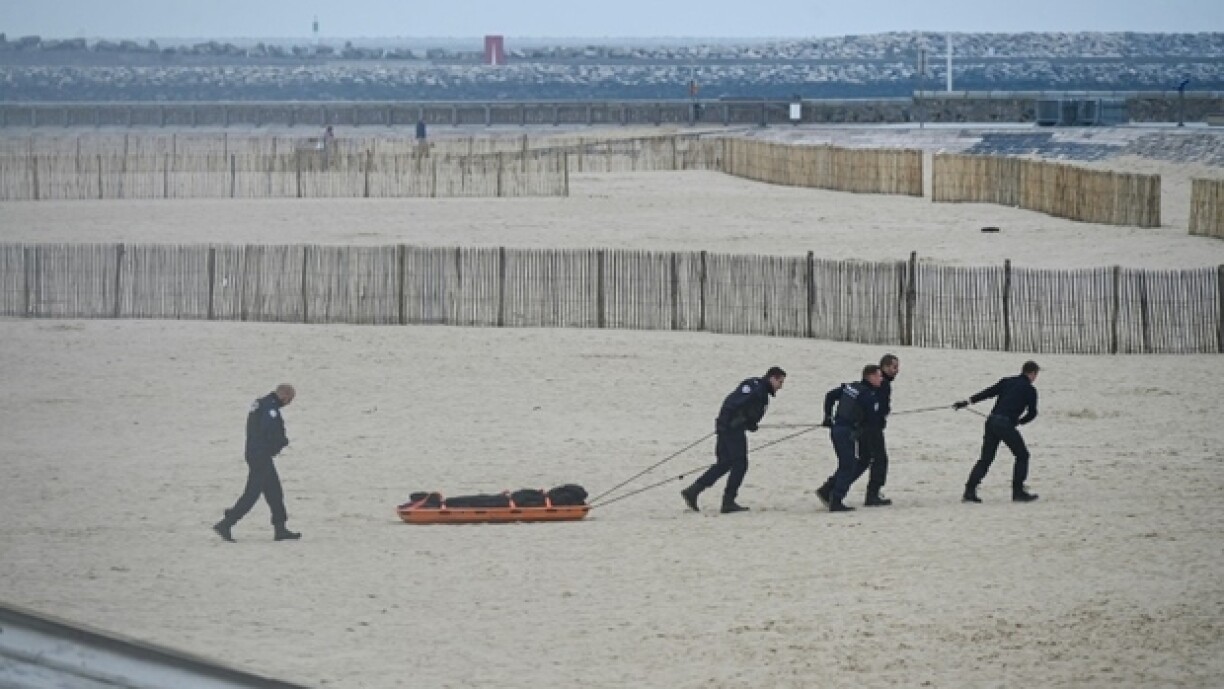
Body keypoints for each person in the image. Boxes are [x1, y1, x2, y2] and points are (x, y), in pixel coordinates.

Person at [681, 366, 787, 514]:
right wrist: (725, 424)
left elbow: (748, 412)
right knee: (740, 464)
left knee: (724, 463)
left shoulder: (761, 390)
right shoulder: (755, 388)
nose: (781, 387)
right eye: (780, 382)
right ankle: (728, 501)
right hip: (731, 430)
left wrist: (750, 424)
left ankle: (693, 491)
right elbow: (732, 403)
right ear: (772, 378)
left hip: (730, 428)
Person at [213, 384, 302, 542]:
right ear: (285, 395)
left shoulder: (261, 403)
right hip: (261, 455)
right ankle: (226, 523)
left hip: (257, 453)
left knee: (274, 492)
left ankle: (280, 528)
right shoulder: (270, 409)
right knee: (252, 493)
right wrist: (280, 442)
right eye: (290, 399)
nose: (289, 403)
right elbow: (269, 431)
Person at [954, 361, 1041, 503]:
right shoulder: (1030, 390)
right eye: (1036, 375)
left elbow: (988, 393)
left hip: (991, 421)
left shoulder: (1007, 381)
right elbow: (1032, 413)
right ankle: (1018, 492)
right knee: (1022, 455)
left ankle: (969, 491)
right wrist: (1020, 421)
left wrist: (966, 402)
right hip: (1005, 424)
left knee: (986, 459)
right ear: (1032, 373)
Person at [816, 365, 884, 512]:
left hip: (837, 429)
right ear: (871, 377)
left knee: (857, 461)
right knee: (848, 465)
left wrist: (828, 416)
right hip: (846, 432)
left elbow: (830, 396)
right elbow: (872, 421)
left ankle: (827, 490)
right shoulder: (868, 396)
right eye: (879, 376)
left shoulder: (851, 387)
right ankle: (836, 500)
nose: (881, 379)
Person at [851, 354, 899, 506]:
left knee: (864, 460)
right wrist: (881, 415)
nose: (897, 370)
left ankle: (831, 488)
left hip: (863, 426)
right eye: (894, 367)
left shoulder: (877, 382)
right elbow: (877, 405)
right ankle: (873, 494)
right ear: (885, 367)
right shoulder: (882, 383)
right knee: (880, 459)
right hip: (871, 427)